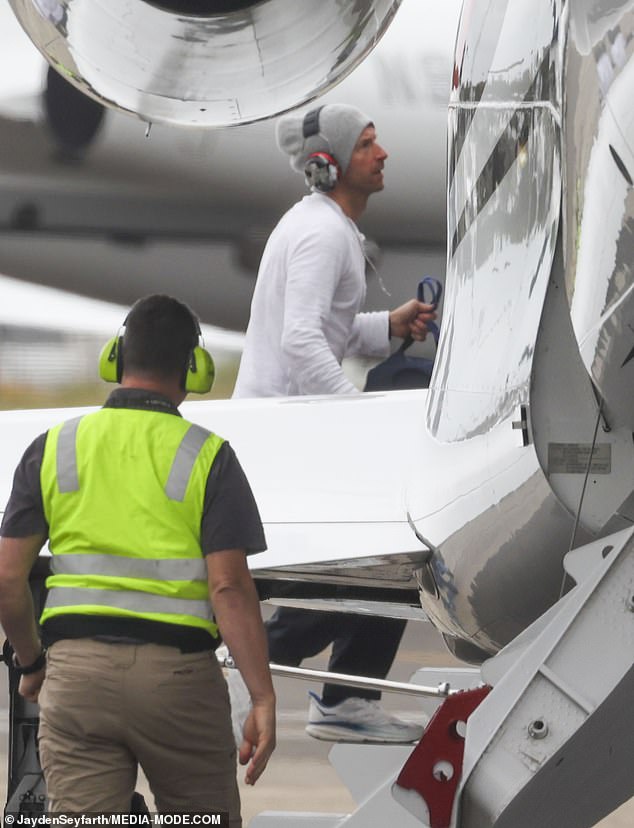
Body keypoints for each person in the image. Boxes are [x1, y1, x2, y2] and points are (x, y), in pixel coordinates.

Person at [0, 295, 276, 824]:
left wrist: (32, 663)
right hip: (177, 683)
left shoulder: (53, 448)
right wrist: (261, 697)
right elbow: (229, 588)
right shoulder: (209, 455)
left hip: (75, 678)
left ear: (115, 359)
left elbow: (9, 577)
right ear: (194, 369)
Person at [232, 103, 436, 743]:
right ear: (330, 165)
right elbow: (300, 341)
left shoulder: (324, 226)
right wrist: (357, 426)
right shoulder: (322, 234)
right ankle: (281, 672)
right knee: (399, 556)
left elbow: (330, 332)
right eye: (368, 144)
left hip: (293, 429)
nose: (383, 154)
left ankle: (335, 689)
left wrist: (389, 326)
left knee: (385, 559)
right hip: (292, 435)